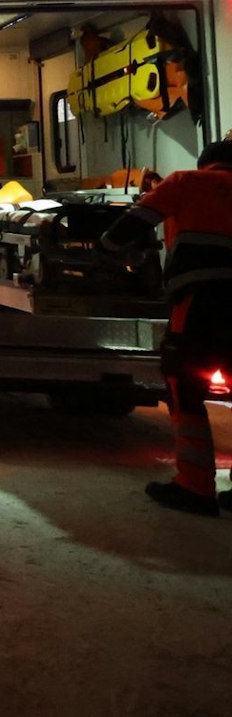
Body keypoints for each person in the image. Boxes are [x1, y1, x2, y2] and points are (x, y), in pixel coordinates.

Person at [102, 140, 232, 516]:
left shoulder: (185, 182)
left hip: (200, 302)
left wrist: (105, 249)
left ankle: (195, 488)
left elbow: (128, 228)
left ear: (207, 163)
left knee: (185, 386)